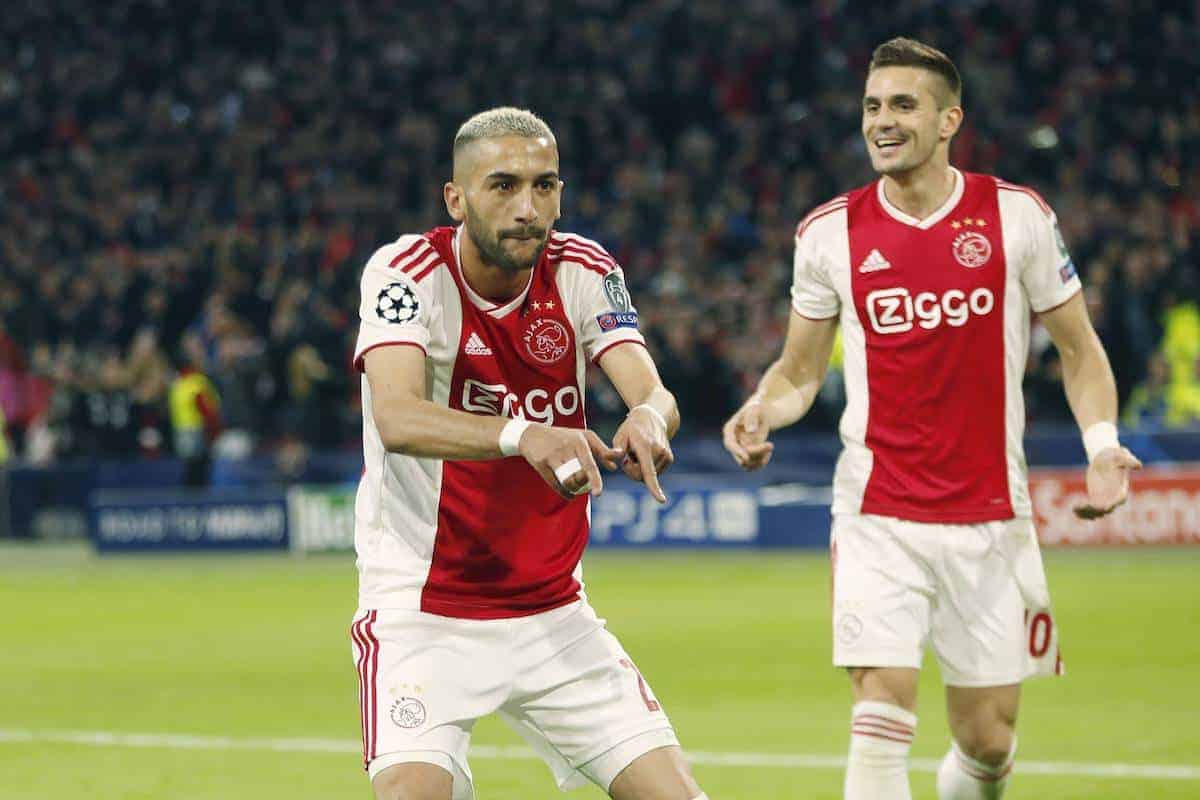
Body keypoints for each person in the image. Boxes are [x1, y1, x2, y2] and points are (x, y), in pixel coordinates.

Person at [722, 38, 1141, 800]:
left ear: (950, 119)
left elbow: (1080, 352)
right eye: (872, 106)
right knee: (880, 705)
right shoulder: (829, 234)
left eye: (903, 105)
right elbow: (800, 370)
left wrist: (1104, 445)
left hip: (991, 513)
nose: (882, 121)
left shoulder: (1016, 218)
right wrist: (763, 408)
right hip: (877, 509)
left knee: (987, 743)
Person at [351, 107, 707, 800]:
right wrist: (524, 433)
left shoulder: (582, 269)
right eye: (504, 185)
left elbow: (653, 392)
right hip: (424, 609)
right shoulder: (406, 272)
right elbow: (395, 416)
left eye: (544, 187)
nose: (527, 208)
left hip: (553, 611)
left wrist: (647, 420)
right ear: (456, 199)